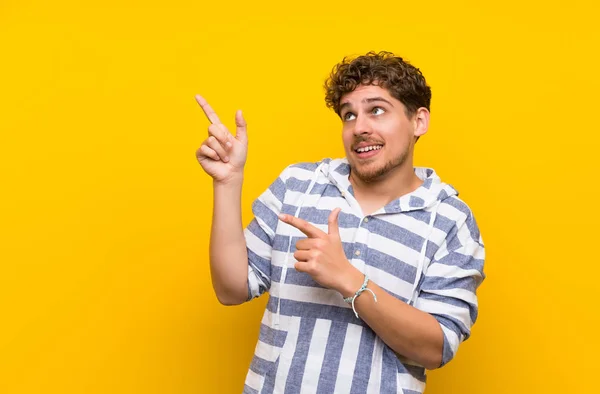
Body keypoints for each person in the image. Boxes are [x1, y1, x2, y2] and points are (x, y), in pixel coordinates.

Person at [195, 51, 485, 394]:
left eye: (376, 110)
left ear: (419, 121)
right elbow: (231, 289)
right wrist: (228, 183)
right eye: (349, 115)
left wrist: (349, 279)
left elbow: (435, 347)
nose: (359, 127)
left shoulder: (451, 220)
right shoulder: (297, 185)